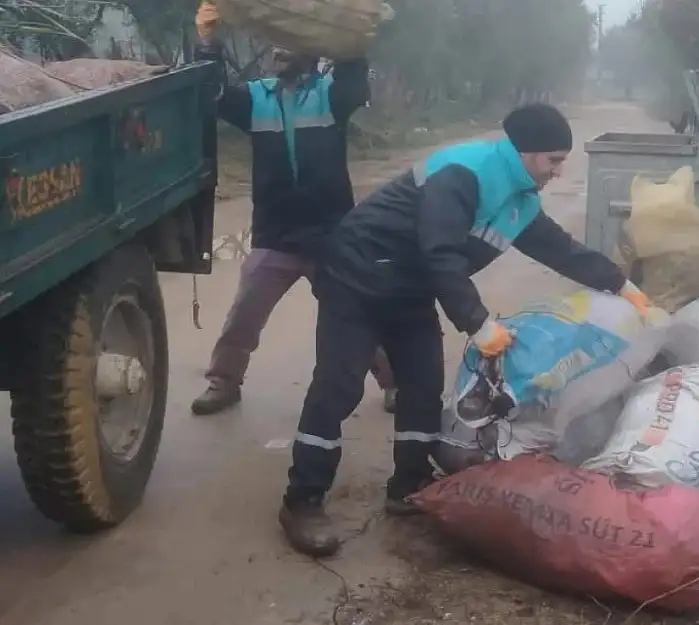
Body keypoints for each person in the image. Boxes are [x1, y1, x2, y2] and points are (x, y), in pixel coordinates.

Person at [278, 102, 654, 557]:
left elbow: (560, 249)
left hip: (409, 288)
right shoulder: (464, 173)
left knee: (422, 385)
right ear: (528, 152)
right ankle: (303, 500)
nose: (559, 171)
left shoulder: (519, 199)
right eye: (554, 159)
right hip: (357, 277)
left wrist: (621, 284)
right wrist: (477, 322)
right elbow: (440, 252)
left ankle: (408, 485)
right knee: (338, 386)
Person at [190, 2, 396, 416]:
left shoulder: (331, 96)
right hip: (275, 235)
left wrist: (348, 32)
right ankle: (223, 383)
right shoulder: (254, 98)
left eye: (288, 46)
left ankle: (395, 384)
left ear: (309, 51)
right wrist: (207, 43)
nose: (278, 52)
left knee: (355, 313)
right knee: (244, 315)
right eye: (275, 48)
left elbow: (354, 78)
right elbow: (210, 94)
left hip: (333, 234)